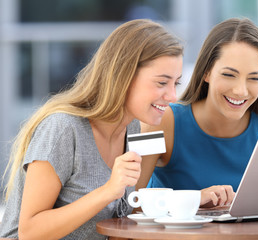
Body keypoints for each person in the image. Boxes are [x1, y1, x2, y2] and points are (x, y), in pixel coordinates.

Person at [0, 19, 183, 239]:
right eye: (162, 83)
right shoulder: (63, 129)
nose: (172, 96)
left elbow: (120, 222)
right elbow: (30, 233)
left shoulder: (132, 128)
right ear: (123, 76)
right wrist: (107, 191)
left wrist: (195, 201)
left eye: (176, 83)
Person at [137, 18, 258, 208]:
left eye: (254, 78)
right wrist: (195, 200)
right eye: (229, 75)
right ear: (206, 72)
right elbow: (127, 203)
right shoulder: (159, 120)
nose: (241, 91)